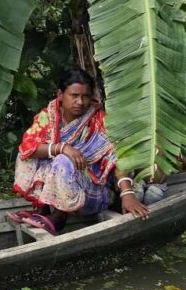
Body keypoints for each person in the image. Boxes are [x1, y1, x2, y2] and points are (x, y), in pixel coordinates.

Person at [9, 69, 148, 234]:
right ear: (60, 95)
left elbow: (119, 155)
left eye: (85, 96)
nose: (80, 102)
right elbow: (28, 147)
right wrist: (63, 147)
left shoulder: (99, 120)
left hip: (94, 193)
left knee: (62, 161)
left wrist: (127, 193)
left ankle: (59, 217)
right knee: (27, 154)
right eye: (74, 95)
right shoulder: (48, 116)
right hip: (64, 183)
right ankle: (44, 208)